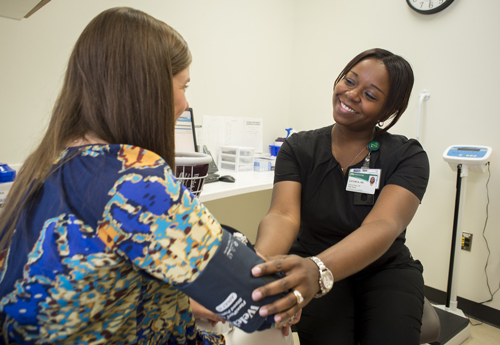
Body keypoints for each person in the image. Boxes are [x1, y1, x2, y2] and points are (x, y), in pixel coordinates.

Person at [0, 7, 299, 344]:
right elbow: (264, 301)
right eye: (183, 85)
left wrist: (186, 300)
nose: (185, 104)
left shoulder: (43, 164)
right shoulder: (133, 178)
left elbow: (95, 278)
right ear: (148, 88)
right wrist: (308, 278)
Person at [252, 48, 430, 344]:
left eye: (371, 95)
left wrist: (319, 269)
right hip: (310, 258)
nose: (351, 95)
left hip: (384, 269)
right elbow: (282, 215)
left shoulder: (407, 155)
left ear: (388, 111)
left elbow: (383, 224)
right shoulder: (299, 147)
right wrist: (261, 264)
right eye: (349, 81)